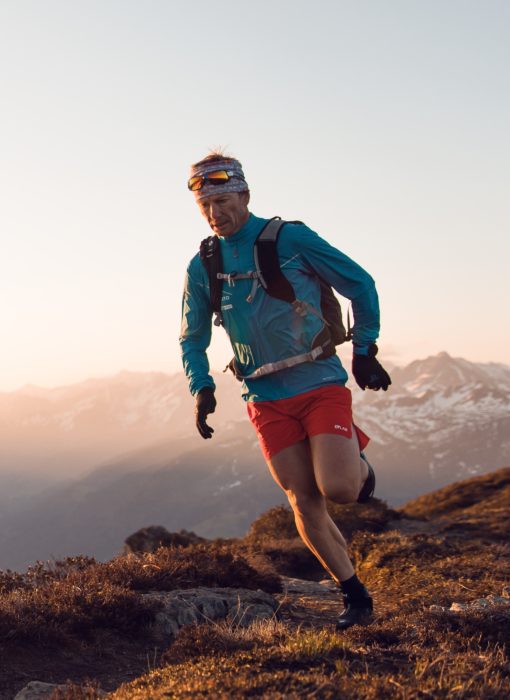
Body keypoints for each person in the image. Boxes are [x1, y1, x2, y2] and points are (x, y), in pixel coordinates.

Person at [176, 151, 392, 630]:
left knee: (339, 489)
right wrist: (201, 387)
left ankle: (357, 461)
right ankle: (354, 594)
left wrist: (364, 347)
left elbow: (361, 283)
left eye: (224, 200)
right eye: (205, 206)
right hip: (264, 398)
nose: (215, 213)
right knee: (301, 499)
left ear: (245, 196)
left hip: (318, 383)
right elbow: (192, 337)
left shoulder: (290, 238)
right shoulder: (203, 265)